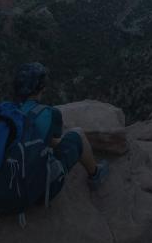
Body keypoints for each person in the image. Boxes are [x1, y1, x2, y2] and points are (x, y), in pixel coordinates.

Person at [11, 62, 109, 198]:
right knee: (78, 134)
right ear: (40, 88)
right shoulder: (50, 113)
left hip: (1, 184)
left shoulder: (3, 112)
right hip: (34, 190)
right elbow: (54, 141)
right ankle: (95, 174)